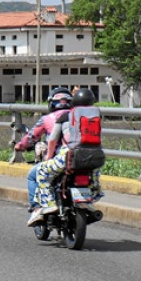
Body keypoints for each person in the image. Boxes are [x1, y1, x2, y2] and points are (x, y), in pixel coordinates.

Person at [29, 87, 103, 226]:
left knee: (42, 171)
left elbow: (52, 141)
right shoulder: (96, 115)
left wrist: (48, 158)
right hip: (95, 156)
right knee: (94, 180)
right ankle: (89, 201)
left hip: (69, 155)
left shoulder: (65, 116)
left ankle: (49, 204)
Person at [14, 87, 72, 214]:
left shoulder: (47, 119)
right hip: (81, 158)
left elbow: (31, 137)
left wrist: (20, 146)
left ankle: (37, 207)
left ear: (51, 103)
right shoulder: (79, 117)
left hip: (59, 159)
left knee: (33, 176)